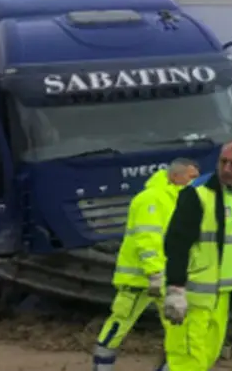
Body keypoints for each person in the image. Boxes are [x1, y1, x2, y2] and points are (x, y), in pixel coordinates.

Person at [158, 140, 232, 371]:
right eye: (223, 162)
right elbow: (176, 243)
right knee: (186, 363)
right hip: (192, 297)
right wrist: (175, 289)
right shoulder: (198, 194)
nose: (226, 169)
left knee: (204, 360)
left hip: (220, 299)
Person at [93, 158, 200, 371]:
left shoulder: (178, 199)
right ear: (175, 176)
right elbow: (148, 240)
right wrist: (155, 272)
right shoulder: (151, 199)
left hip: (163, 278)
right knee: (119, 325)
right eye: (192, 177)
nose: (195, 182)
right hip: (140, 279)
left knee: (178, 330)